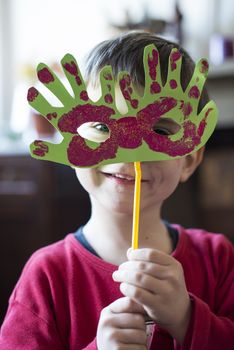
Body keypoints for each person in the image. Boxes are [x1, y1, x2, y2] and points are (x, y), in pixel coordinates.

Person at [0, 31, 233, 350]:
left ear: (190, 159)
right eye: (102, 125)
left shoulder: (218, 260)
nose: (129, 152)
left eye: (159, 129)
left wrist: (186, 319)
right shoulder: (46, 277)